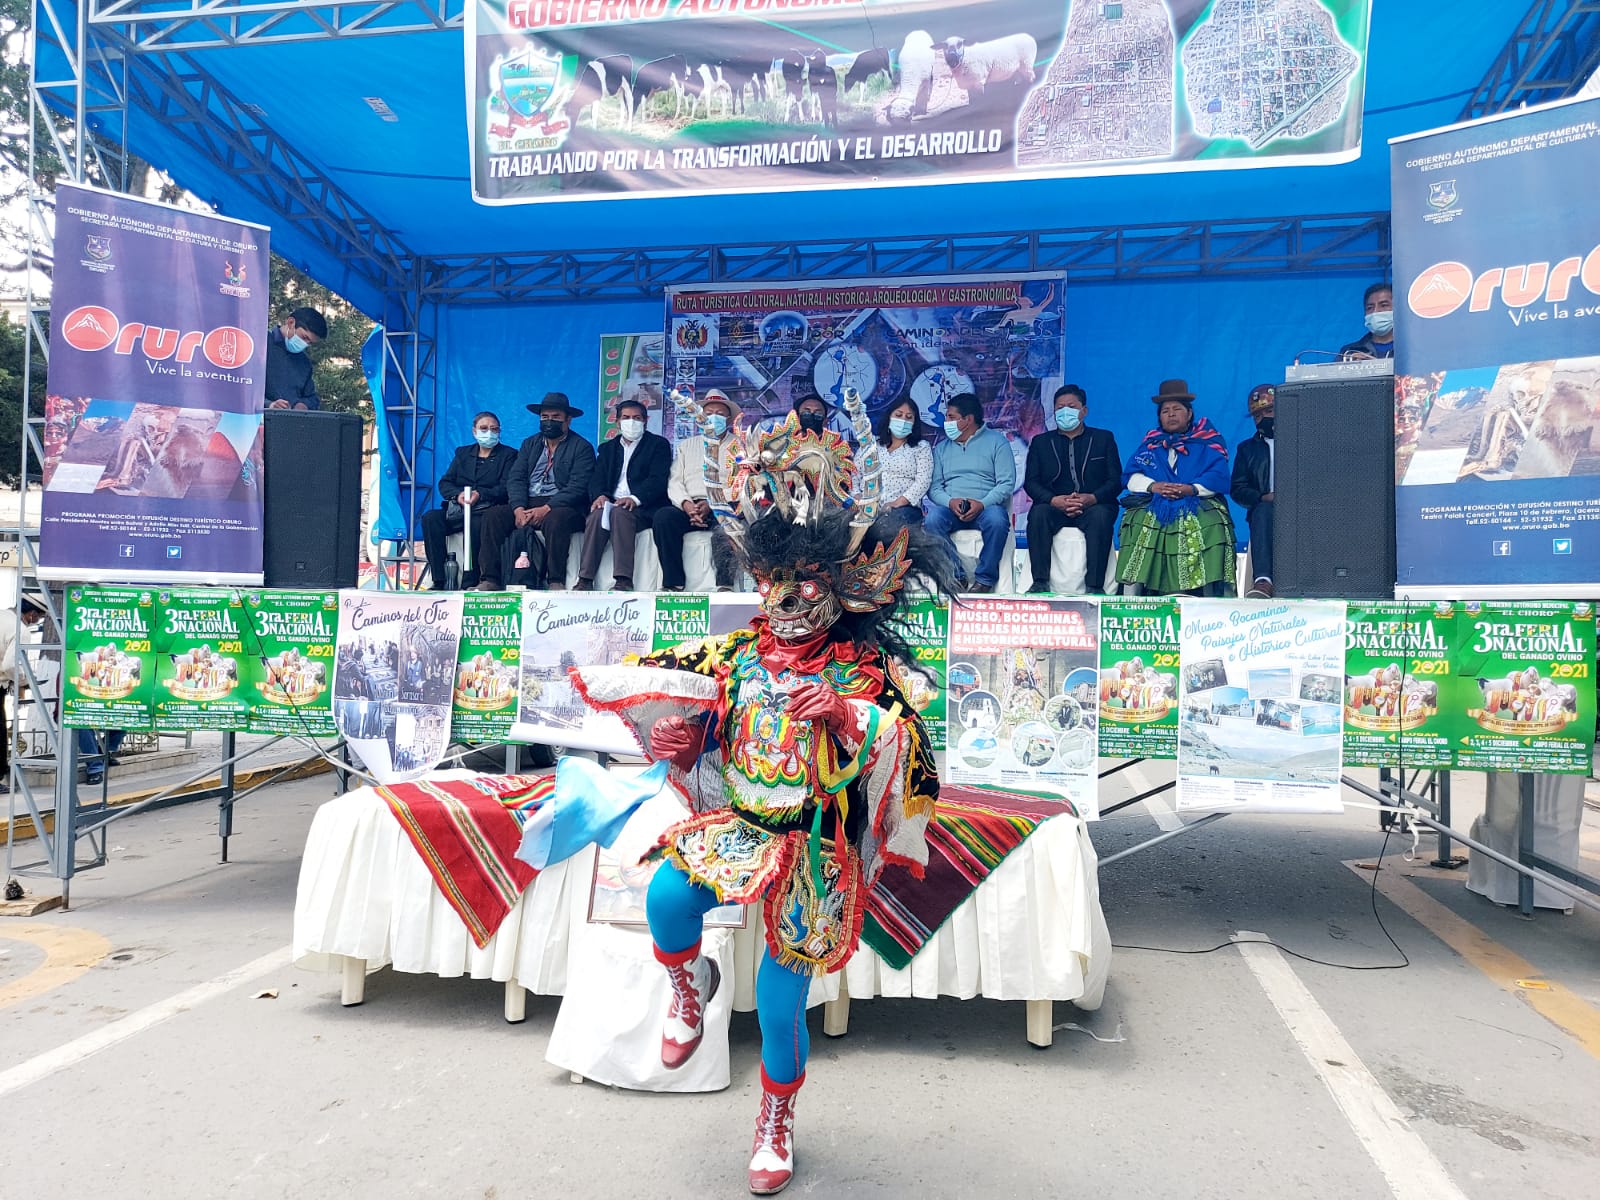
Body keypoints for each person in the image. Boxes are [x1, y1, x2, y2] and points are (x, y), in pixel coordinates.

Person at [543, 406, 957, 1195]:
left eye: (804, 584)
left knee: (778, 997)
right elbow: (696, 716)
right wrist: (679, 742)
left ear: (841, 588)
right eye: (772, 584)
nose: (786, 600)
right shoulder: (736, 652)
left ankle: (776, 1118)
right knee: (667, 899)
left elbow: (907, 740)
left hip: (814, 846)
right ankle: (686, 984)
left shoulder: (861, 672)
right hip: (741, 825)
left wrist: (844, 716)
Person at [1115, 379, 1237, 597]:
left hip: (1197, 501)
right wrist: (1154, 486)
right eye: (1165, 411)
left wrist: (1190, 489)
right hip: (1155, 501)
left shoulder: (1208, 442)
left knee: (1209, 523)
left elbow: (1218, 476)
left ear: (1189, 414)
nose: (1170, 414)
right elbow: (1131, 476)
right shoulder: (1150, 445)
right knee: (1139, 521)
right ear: (1159, 417)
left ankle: (1206, 595)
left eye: (1177, 409)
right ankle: (1133, 596)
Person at [478, 392, 594, 590]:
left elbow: (578, 486)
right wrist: (517, 508)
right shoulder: (530, 444)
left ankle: (555, 580)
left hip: (563, 505)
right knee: (493, 516)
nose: (549, 422)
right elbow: (516, 478)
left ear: (568, 420)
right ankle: (490, 579)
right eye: (545, 417)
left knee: (556, 520)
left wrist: (547, 508)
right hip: (528, 501)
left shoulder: (581, 447)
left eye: (556, 417)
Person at [1022, 384, 1122, 594]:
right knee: (1038, 514)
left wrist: (1092, 498)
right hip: (1054, 505)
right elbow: (1031, 482)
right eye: (1060, 407)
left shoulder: (1103, 439)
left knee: (1100, 518)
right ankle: (1040, 581)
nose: (1064, 411)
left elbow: (1115, 481)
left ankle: (1095, 586)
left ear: (1084, 411)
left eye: (1071, 406)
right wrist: (1053, 500)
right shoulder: (1041, 442)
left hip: (1093, 504)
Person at [576, 397, 671, 591]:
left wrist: (635, 499)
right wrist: (600, 495)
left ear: (646, 420)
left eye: (637, 418)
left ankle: (623, 579)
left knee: (620, 513)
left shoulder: (658, 445)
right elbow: (596, 478)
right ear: (617, 421)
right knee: (596, 515)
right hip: (612, 503)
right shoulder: (607, 448)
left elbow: (658, 479)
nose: (632, 422)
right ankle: (585, 579)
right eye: (626, 417)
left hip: (643, 507)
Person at [925, 392, 1015, 592]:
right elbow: (934, 488)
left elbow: (1006, 483)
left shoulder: (997, 442)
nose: (945, 421)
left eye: (951, 417)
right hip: (952, 508)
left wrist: (982, 503)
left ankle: (985, 579)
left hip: (986, 506)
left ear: (968, 420)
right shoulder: (941, 449)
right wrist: (950, 502)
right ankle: (956, 576)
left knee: (998, 521)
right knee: (932, 520)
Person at [421, 411, 518, 590]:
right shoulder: (463, 454)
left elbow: (506, 487)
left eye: (494, 429)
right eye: (484, 428)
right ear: (474, 431)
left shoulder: (509, 455)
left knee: (476, 524)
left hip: (486, 509)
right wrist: (458, 495)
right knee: (430, 519)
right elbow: (445, 482)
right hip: (459, 508)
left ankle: (471, 580)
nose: (489, 432)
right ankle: (439, 579)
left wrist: (480, 494)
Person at [655, 389, 739, 592]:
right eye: (709, 413)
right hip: (690, 506)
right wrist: (687, 505)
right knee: (663, 518)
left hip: (724, 506)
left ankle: (724, 584)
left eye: (720, 413)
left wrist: (712, 504)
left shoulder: (739, 446)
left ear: (728, 418)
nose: (714, 417)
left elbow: (741, 483)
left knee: (727, 526)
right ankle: (673, 582)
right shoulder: (686, 446)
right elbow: (675, 481)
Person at [1231, 384, 1277, 599]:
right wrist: (1261, 497)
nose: (1263, 419)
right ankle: (1263, 581)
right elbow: (1238, 489)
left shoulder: (1307, 440)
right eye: (1257, 416)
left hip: (1306, 505)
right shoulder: (1246, 449)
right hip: (1268, 506)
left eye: (1268, 411)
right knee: (1261, 511)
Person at [871, 399, 932, 528]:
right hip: (869, 506)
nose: (903, 420)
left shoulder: (921, 447)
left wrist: (898, 502)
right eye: (898, 415)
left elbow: (923, 480)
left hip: (904, 508)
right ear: (889, 417)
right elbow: (857, 473)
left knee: (886, 526)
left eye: (909, 417)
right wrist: (858, 496)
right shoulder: (872, 445)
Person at [264, 306, 328, 410]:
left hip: (290, 423)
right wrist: (269, 404)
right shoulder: (260, 344)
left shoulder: (304, 363)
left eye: (310, 343)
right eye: (304, 337)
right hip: (255, 421)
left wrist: (303, 404)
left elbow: (312, 398)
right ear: (290, 322)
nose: (305, 344)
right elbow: (243, 386)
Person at [1338, 283, 1395, 360]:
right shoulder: (1349, 352)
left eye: (1384, 305)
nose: (1375, 311)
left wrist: (1374, 366)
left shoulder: (1410, 349)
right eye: (1370, 307)